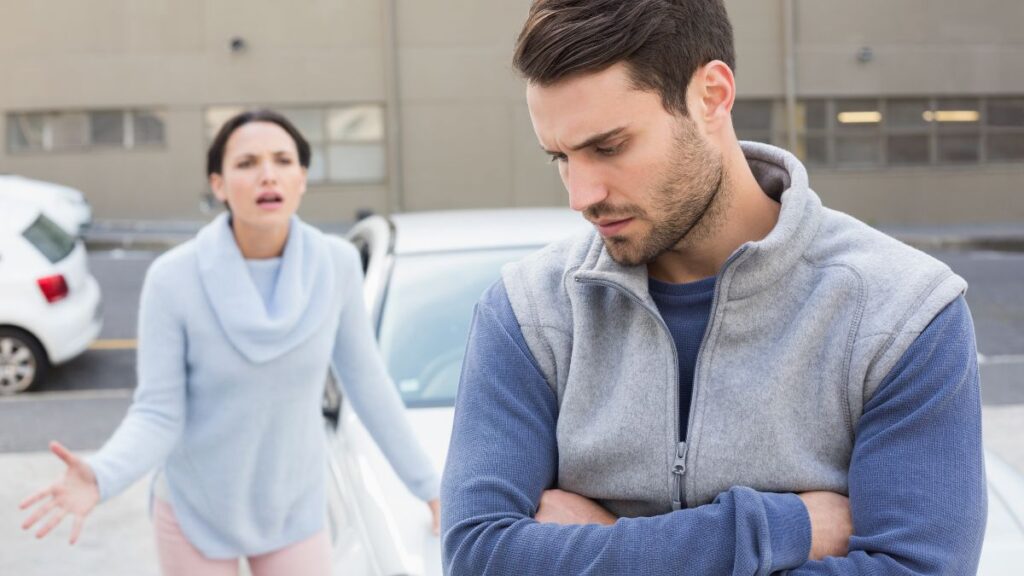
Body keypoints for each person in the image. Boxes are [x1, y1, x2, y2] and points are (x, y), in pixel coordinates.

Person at [441, 1, 986, 574]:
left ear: (712, 96)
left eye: (609, 147)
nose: (582, 195)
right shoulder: (529, 313)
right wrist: (780, 529)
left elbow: (918, 569)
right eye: (560, 157)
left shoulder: (901, 313)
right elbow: (480, 557)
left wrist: (600, 544)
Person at [20, 109, 441, 575]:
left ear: (301, 178)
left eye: (283, 160)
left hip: (293, 510)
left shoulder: (336, 264)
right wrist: (103, 473)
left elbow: (369, 386)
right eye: (247, 163)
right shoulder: (173, 278)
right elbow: (158, 412)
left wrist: (431, 487)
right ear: (218, 184)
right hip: (195, 510)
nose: (267, 174)